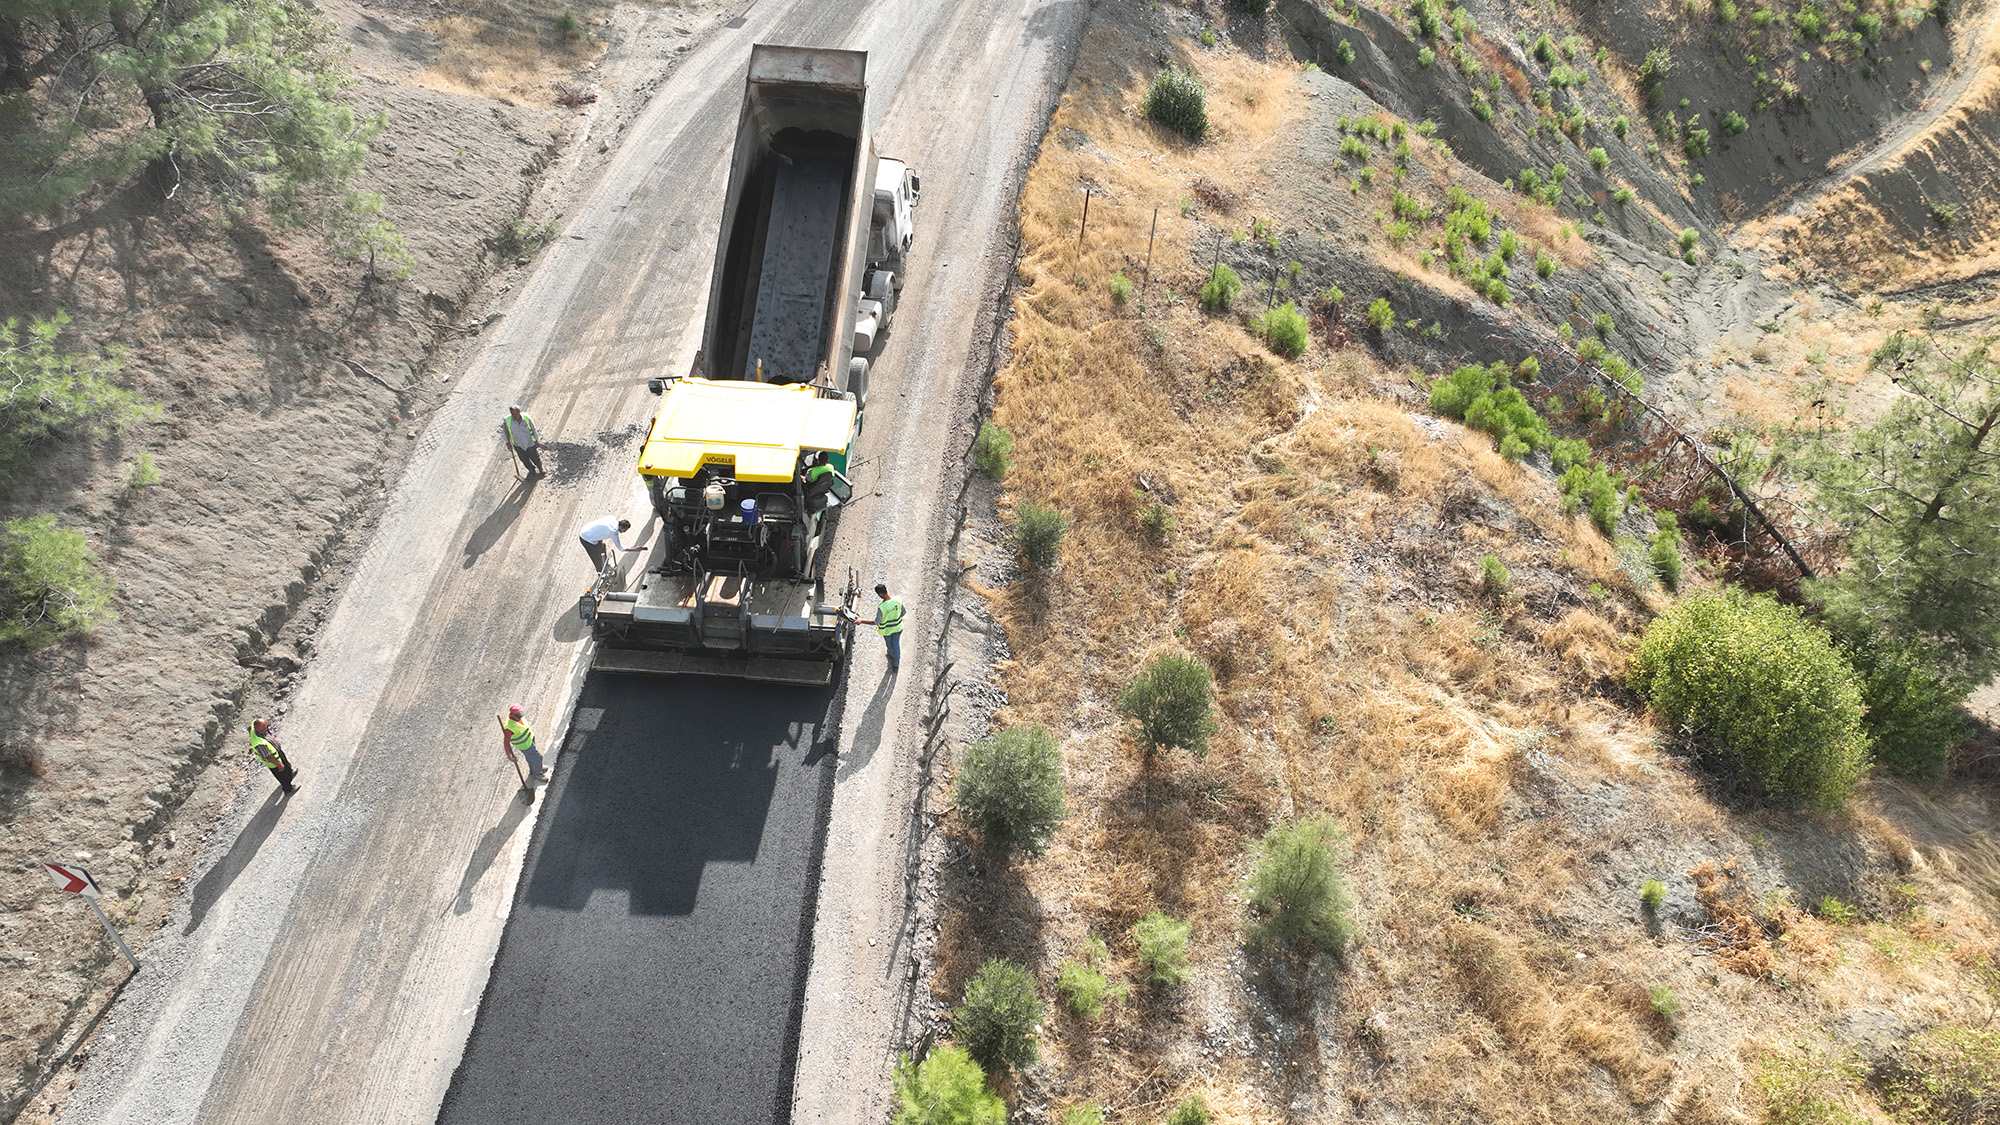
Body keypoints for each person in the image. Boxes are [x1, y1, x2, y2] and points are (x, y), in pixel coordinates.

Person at [855, 583, 905, 672]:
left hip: (887, 631)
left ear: (880, 594)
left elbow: (876, 622)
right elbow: (903, 612)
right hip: (897, 628)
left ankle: (892, 655)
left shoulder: (882, 607)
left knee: (890, 645)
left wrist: (861, 621)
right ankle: (896, 664)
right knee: (896, 644)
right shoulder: (898, 600)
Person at [248, 719, 298, 795]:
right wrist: (279, 764)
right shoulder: (259, 744)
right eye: (262, 729)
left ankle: (290, 774)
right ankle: (288, 789)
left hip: (277, 754)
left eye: (265, 727)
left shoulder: (255, 726)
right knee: (282, 775)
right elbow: (268, 756)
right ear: (256, 729)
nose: (265, 730)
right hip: (274, 761)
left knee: (287, 767)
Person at [500, 704, 547, 783]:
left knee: (531, 758)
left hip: (530, 738)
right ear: (512, 715)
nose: (520, 717)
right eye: (518, 716)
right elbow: (506, 742)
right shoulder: (509, 727)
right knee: (537, 757)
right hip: (525, 745)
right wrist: (509, 756)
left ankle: (535, 768)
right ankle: (537, 773)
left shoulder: (518, 717)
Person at [501, 405, 544, 476]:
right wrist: (507, 443)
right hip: (517, 444)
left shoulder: (526, 417)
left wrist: (536, 440)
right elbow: (505, 432)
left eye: (516, 414)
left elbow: (533, 429)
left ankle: (540, 469)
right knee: (524, 459)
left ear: (519, 412)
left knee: (535, 457)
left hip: (529, 442)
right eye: (513, 414)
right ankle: (531, 469)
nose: (514, 416)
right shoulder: (507, 420)